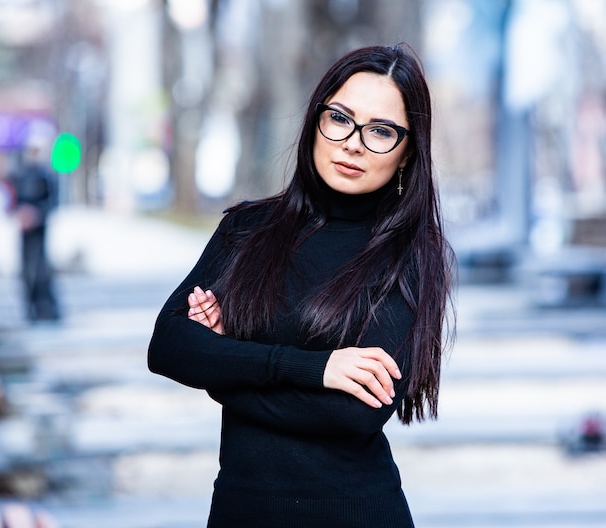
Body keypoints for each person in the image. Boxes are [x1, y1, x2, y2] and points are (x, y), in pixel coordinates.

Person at [148, 44, 455, 527]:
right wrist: (315, 369)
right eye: (340, 119)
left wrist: (223, 363)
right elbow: (167, 346)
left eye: (381, 131)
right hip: (239, 511)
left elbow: (350, 416)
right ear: (316, 121)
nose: (353, 143)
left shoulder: (410, 255)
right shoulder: (247, 228)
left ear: (406, 154)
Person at [9, 140, 60, 322]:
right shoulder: (19, 175)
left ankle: (47, 309)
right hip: (25, 231)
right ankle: (30, 309)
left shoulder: (46, 175)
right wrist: (20, 214)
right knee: (26, 271)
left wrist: (37, 214)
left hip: (39, 231)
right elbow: (13, 201)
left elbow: (53, 202)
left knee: (41, 270)